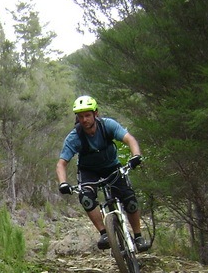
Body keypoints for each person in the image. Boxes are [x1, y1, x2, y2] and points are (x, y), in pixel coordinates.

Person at [56, 95, 149, 252]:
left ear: (95, 113)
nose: (84, 119)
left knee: (130, 200)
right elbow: (61, 164)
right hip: (88, 171)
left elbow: (130, 140)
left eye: (87, 115)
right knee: (86, 198)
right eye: (80, 116)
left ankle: (138, 237)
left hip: (111, 167)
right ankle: (105, 233)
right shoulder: (75, 137)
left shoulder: (108, 126)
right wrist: (63, 183)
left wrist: (136, 156)